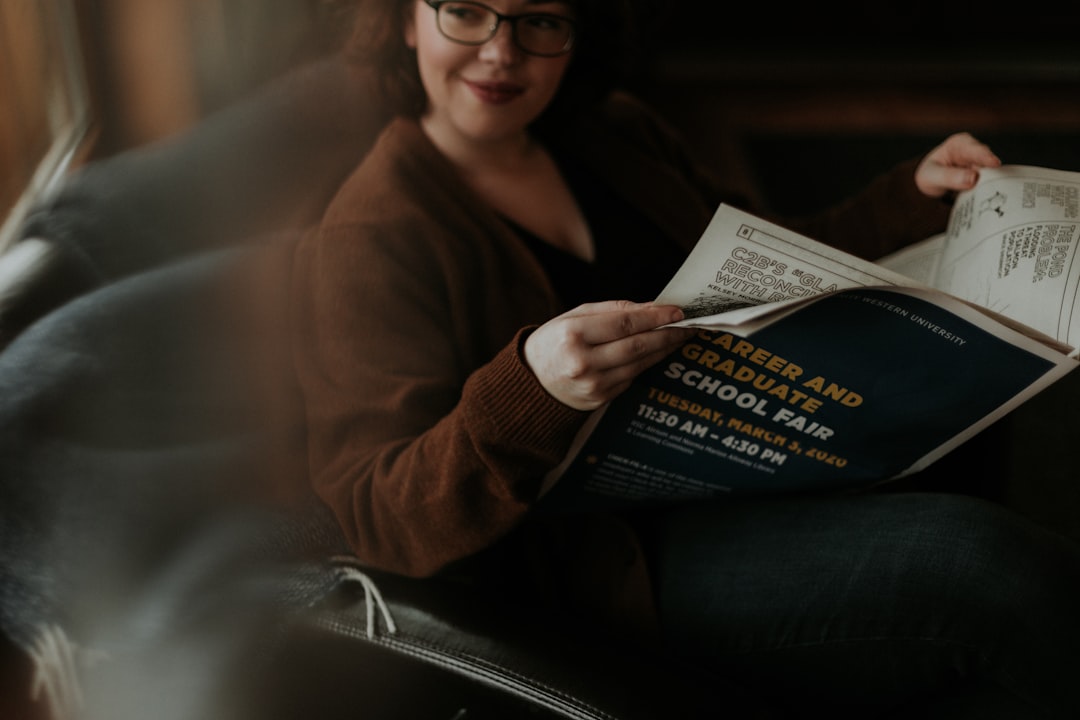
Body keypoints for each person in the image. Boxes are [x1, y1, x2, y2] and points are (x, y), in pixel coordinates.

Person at [290, 0, 1080, 716]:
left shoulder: (613, 133)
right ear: (402, 19)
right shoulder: (373, 232)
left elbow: (776, 261)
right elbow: (380, 515)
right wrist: (530, 390)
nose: (502, 52)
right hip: (620, 561)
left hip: (763, 466)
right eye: (466, 11)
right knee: (985, 567)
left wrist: (911, 195)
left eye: (540, 20)